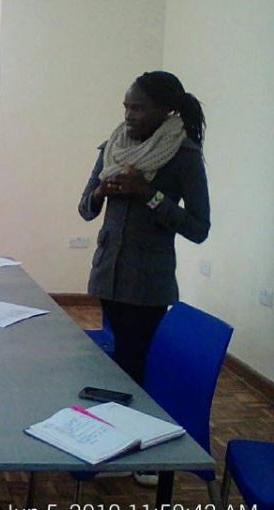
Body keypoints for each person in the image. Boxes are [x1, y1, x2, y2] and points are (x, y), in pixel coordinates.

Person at [78, 71, 210, 386]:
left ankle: (135, 415)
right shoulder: (113, 147)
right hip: (108, 277)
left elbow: (198, 228)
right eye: (126, 107)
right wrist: (101, 192)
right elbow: (85, 209)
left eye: (138, 108)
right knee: (115, 366)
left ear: (165, 109)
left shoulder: (184, 155)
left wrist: (148, 194)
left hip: (148, 286)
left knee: (136, 371)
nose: (129, 115)